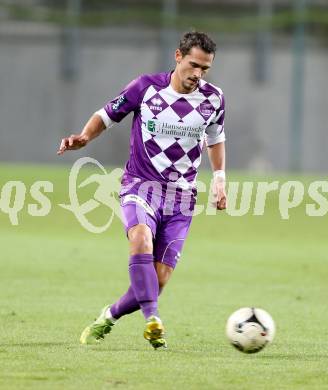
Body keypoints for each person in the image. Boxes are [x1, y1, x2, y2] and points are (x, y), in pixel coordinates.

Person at [57, 31, 227, 349]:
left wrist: (219, 178)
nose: (197, 74)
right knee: (140, 238)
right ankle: (153, 320)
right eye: (193, 65)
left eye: (205, 69)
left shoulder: (213, 99)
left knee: (158, 280)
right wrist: (83, 137)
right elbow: (107, 115)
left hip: (182, 198)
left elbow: (216, 138)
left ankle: (108, 316)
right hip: (141, 185)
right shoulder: (146, 88)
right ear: (178, 57)